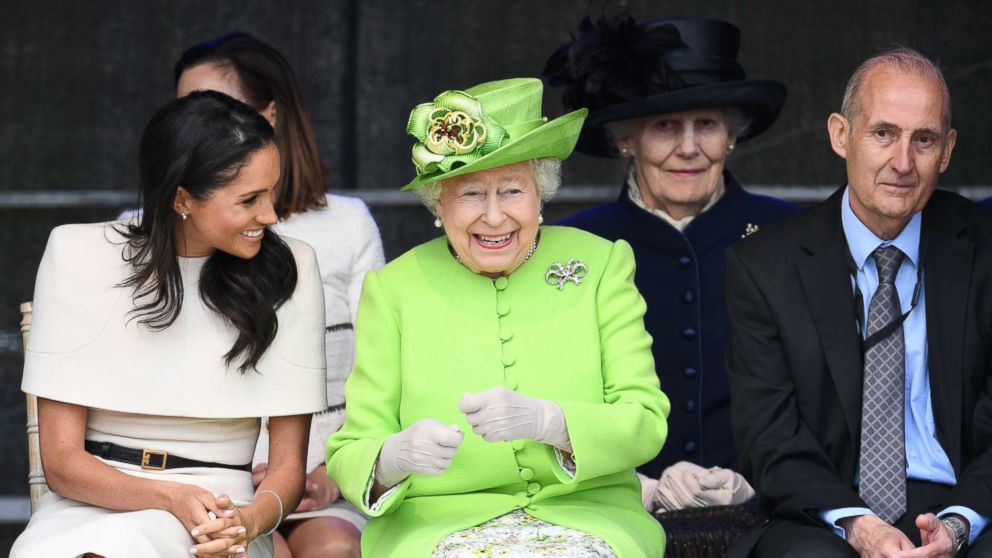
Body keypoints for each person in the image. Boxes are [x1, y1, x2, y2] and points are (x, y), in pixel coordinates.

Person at [326, 78, 670, 557]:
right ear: (438, 204)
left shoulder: (601, 265)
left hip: (589, 516)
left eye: (512, 190)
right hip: (435, 529)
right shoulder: (393, 289)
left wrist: (553, 422)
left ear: (540, 195)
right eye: (470, 193)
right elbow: (352, 447)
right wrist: (392, 458)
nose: (493, 217)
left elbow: (646, 419)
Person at [11, 91, 326, 558]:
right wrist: (170, 498)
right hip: (89, 504)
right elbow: (62, 466)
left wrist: (244, 523)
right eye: (249, 199)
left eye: (272, 192)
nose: (271, 215)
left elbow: (285, 475)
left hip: (222, 508)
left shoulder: (290, 268)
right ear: (183, 198)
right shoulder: (77, 254)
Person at [724, 48, 992, 557]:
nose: (903, 163)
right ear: (840, 135)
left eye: (925, 140)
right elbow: (769, 438)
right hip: (826, 511)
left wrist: (957, 526)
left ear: (949, 150)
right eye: (883, 134)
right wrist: (859, 526)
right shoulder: (765, 267)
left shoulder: (985, 250)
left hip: (966, 502)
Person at [542, 14, 796, 510]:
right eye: (664, 127)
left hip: (769, 512)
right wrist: (637, 487)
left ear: (732, 136)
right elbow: (554, 399)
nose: (688, 148)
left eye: (706, 125)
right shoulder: (574, 247)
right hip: (614, 509)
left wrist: (758, 483)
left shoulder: (791, 235)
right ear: (625, 139)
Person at [174, 32, 385, 558]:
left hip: (320, 484)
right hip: (201, 488)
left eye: (216, 110)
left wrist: (331, 475)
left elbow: (382, 369)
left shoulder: (345, 224)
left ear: (269, 117)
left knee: (334, 549)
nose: (193, 131)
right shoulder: (149, 234)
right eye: (184, 112)